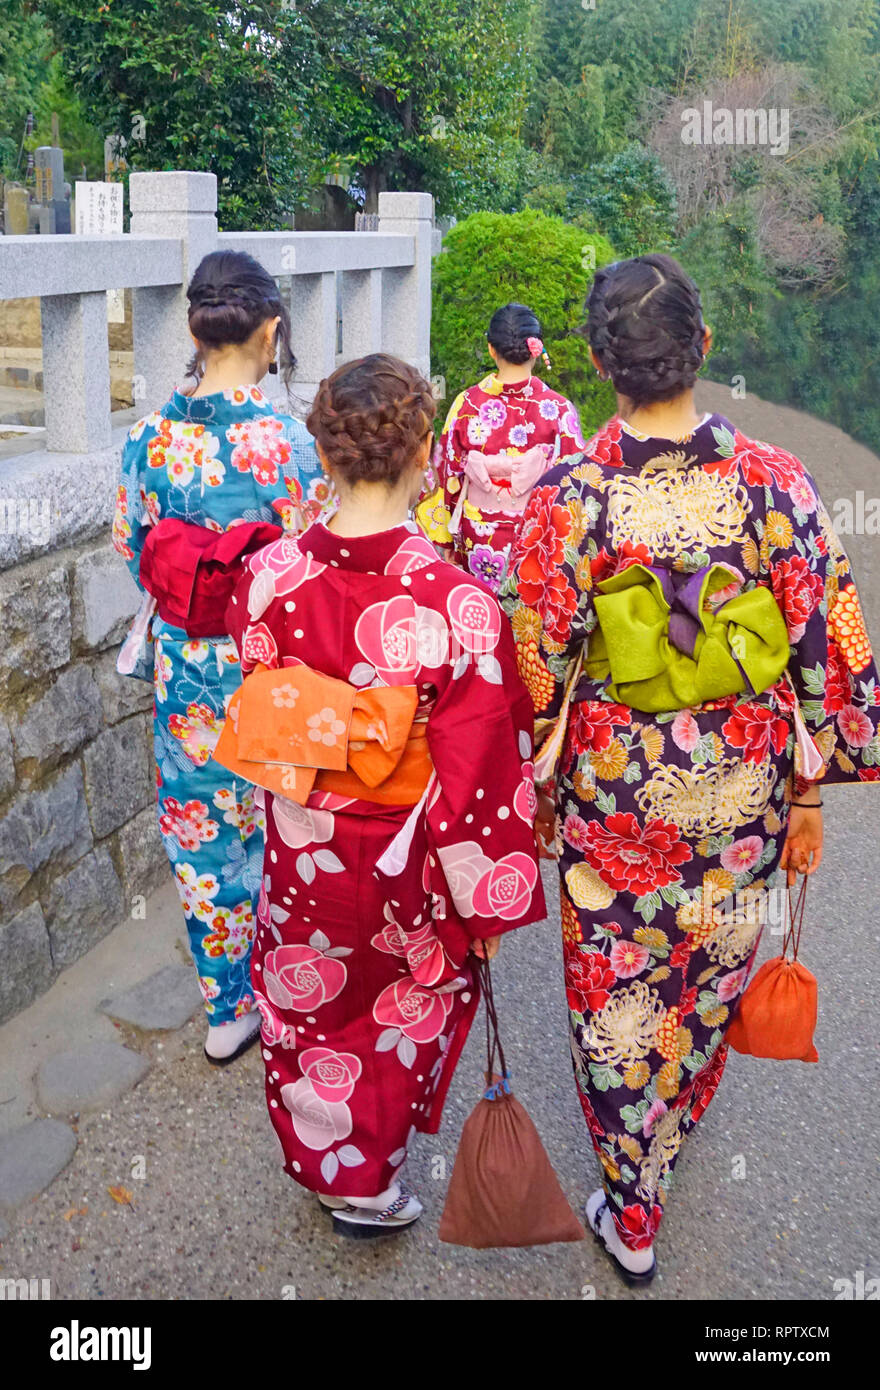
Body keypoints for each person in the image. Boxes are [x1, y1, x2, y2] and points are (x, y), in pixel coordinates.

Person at [501, 253, 880, 1285]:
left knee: (615, 992)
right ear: (701, 348)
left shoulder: (568, 496)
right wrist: (809, 787)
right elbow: (826, 638)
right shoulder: (773, 483)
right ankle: (668, 1129)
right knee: (707, 975)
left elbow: (534, 647)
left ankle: (631, 1201)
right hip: (738, 795)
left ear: (595, 363)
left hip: (615, 794)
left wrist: (536, 758)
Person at [220, 352, 545, 1237]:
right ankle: (371, 1171)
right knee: (402, 1006)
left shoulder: (268, 578)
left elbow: (267, 717)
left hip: (305, 838)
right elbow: (482, 777)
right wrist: (487, 898)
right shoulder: (463, 605)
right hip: (414, 852)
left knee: (306, 998)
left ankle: (332, 1164)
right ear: (429, 452)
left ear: (323, 455)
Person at [112, 250, 324, 1065]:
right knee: (279, 823)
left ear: (196, 330)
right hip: (272, 670)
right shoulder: (289, 446)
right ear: (271, 330)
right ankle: (287, 984)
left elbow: (139, 557)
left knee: (201, 835)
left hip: (184, 667)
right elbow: (311, 568)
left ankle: (224, 1007)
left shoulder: (146, 441)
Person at [417, 302, 585, 590]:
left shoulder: (467, 404)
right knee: (529, 615)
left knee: (480, 614)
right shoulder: (558, 409)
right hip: (536, 536)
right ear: (536, 349)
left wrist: (447, 537)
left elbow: (446, 472)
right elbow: (575, 482)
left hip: (477, 536)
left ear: (491, 349)